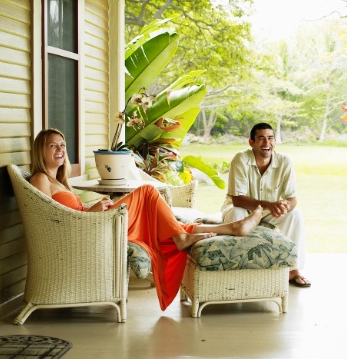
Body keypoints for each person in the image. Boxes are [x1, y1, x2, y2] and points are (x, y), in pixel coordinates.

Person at [29, 128, 264, 311]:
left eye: (62, 145)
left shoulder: (57, 180)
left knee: (163, 224)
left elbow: (67, 212)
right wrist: (93, 212)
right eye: (53, 146)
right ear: (41, 150)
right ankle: (202, 233)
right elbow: (52, 220)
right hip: (91, 228)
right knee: (148, 192)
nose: (60, 149)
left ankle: (230, 227)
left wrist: (94, 207)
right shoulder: (40, 178)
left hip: (95, 223)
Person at [222, 122, 311, 287]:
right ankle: (237, 268)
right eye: (261, 138)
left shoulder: (285, 161)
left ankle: (294, 270)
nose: (266, 143)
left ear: (275, 141)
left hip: (269, 213)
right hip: (241, 210)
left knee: (295, 214)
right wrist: (269, 205)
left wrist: (283, 206)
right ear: (252, 142)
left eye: (270, 138)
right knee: (236, 213)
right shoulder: (241, 159)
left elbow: (292, 198)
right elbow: (238, 199)